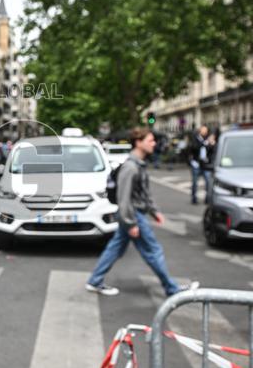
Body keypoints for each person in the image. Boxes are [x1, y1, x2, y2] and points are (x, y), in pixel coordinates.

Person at [85, 127, 197, 297]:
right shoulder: (130, 167)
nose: (154, 143)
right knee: (153, 250)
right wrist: (130, 222)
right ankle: (171, 288)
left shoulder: (138, 165)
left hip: (132, 213)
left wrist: (154, 211)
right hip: (133, 214)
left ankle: (95, 280)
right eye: (150, 140)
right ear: (138, 143)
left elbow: (142, 193)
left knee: (115, 248)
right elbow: (124, 198)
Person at [187, 125, 214, 205]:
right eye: (203, 130)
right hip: (196, 163)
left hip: (206, 164)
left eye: (206, 130)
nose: (204, 132)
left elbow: (211, 151)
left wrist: (211, 144)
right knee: (195, 182)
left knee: (208, 182)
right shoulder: (195, 139)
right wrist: (191, 162)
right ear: (200, 131)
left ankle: (207, 198)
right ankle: (194, 198)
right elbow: (193, 148)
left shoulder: (208, 140)